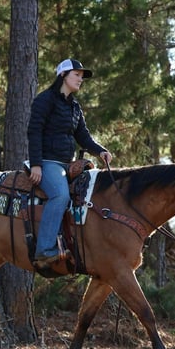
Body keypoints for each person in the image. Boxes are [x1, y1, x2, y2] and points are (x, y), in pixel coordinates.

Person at [27, 58, 113, 266]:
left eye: (82, 77)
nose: (80, 79)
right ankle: (45, 250)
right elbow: (34, 131)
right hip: (48, 163)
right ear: (63, 75)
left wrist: (100, 151)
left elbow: (83, 136)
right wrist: (36, 164)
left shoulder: (75, 107)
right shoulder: (45, 100)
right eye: (77, 75)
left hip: (68, 164)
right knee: (60, 195)